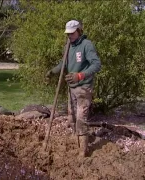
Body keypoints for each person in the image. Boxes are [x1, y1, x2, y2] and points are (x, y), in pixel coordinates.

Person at [46, 20, 101, 157]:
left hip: (84, 87)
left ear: (79, 31)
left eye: (72, 33)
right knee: (71, 117)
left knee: (81, 118)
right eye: (67, 33)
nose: (69, 36)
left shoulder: (86, 45)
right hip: (71, 87)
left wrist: (80, 75)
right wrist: (53, 71)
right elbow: (63, 64)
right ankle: (76, 141)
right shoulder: (68, 46)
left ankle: (83, 149)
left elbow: (96, 64)